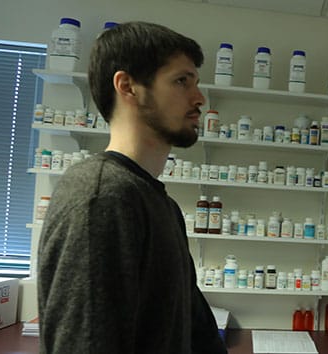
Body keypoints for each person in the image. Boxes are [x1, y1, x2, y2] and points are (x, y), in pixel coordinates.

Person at [37, 21, 227, 354]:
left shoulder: (159, 203)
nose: (199, 98)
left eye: (196, 83)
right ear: (128, 87)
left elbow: (196, 330)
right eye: (182, 81)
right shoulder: (100, 199)